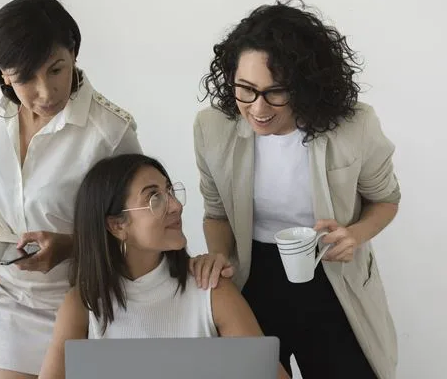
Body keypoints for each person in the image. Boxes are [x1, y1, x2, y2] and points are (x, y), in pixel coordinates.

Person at [0, 0, 142, 379]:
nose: (46, 92)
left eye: (56, 69)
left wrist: (68, 246)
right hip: (12, 295)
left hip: (87, 298)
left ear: (74, 52)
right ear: (3, 74)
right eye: (24, 78)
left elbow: (136, 227)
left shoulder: (111, 132)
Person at [191, 0, 400, 379]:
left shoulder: (354, 127)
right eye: (246, 90)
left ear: (306, 85)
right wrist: (220, 255)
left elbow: (385, 200)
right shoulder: (212, 129)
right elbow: (216, 213)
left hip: (332, 273)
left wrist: (353, 235)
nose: (258, 108)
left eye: (276, 92)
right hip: (253, 275)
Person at [38, 154, 290, 379]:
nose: (176, 206)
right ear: (117, 225)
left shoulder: (211, 290)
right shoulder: (83, 305)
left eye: (169, 192)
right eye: (154, 198)